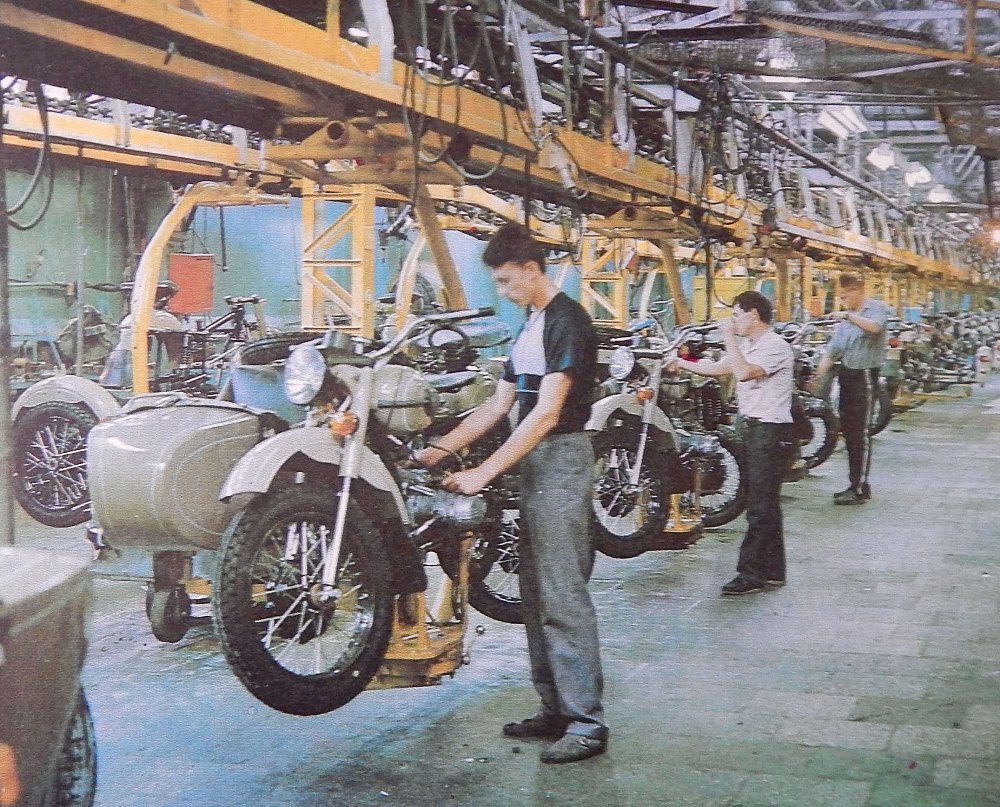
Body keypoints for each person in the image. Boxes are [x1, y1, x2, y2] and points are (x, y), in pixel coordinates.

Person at [415, 222, 608, 764]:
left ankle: (587, 722)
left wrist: (482, 474)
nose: (502, 291)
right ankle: (555, 707)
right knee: (534, 592)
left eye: (505, 281)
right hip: (534, 463)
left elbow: (546, 413)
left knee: (562, 593)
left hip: (562, 459)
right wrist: (441, 450)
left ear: (531, 269)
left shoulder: (567, 321)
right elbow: (500, 405)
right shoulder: (531, 323)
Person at [667, 291, 794, 595]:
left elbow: (744, 372)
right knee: (766, 504)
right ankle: (773, 571)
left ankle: (749, 573)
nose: (733, 321)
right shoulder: (751, 345)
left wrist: (728, 337)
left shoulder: (775, 347)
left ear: (754, 315)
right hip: (752, 428)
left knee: (759, 506)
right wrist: (681, 363)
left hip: (769, 431)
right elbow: (721, 367)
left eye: (737, 315)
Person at [808, 274, 889, 505]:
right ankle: (856, 484)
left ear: (857, 290)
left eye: (845, 295)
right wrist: (817, 377)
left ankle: (859, 487)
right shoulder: (846, 323)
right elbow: (833, 351)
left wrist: (848, 315)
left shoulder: (876, 309)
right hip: (847, 376)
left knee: (860, 433)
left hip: (864, 376)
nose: (843, 300)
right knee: (850, 431)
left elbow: (874, 328)